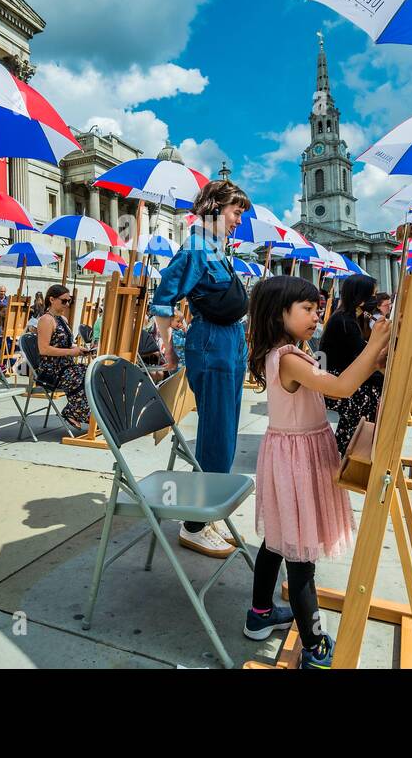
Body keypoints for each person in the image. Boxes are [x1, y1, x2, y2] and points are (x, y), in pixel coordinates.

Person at [244, 275, 391, 668]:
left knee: (278, 536)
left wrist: (373, 359)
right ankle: (312, 645)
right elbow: (341, 388)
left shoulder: (293, 350)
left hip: (292, 451)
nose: (316, 314)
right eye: (307, 309)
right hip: (297, 457)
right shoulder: (289, 357)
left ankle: (259, 614)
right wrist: (375, 341)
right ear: (280, 314)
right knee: (300, 554)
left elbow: (333, 382)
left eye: (316, 307)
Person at [152, 178, 251, 559]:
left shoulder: (215, 248)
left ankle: (203, 514)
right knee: (217, 437)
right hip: (212, 344)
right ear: (213, 208)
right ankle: (194, 524)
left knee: (224, 435)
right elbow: (163, 299)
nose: (238, 220)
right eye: (235, 212)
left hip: (228, 344)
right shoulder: (195, 247)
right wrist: (169, 354)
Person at [319, 274, 383, 454]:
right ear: (360, 297)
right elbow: (363, 356)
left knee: (378, 384)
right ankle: (350, 448)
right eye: (372, 296)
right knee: (370, 392)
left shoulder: (354, 317)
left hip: (341, 373)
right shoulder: (344, 321)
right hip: (333, 379)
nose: (375, 301)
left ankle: (356, 445)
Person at [35, 284, 94, 432]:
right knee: (81, 378)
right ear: (52, 299)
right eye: (64, 301)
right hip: (52, 370)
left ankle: (90, 414)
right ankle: (72, 411)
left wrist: (78, 349)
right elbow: (44, 349)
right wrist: (70, 352)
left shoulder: (62, 319)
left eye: (69, 301)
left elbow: (66, 344)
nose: (67, 304)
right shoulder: (46, 320)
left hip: (66, 366)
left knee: (93, 374)